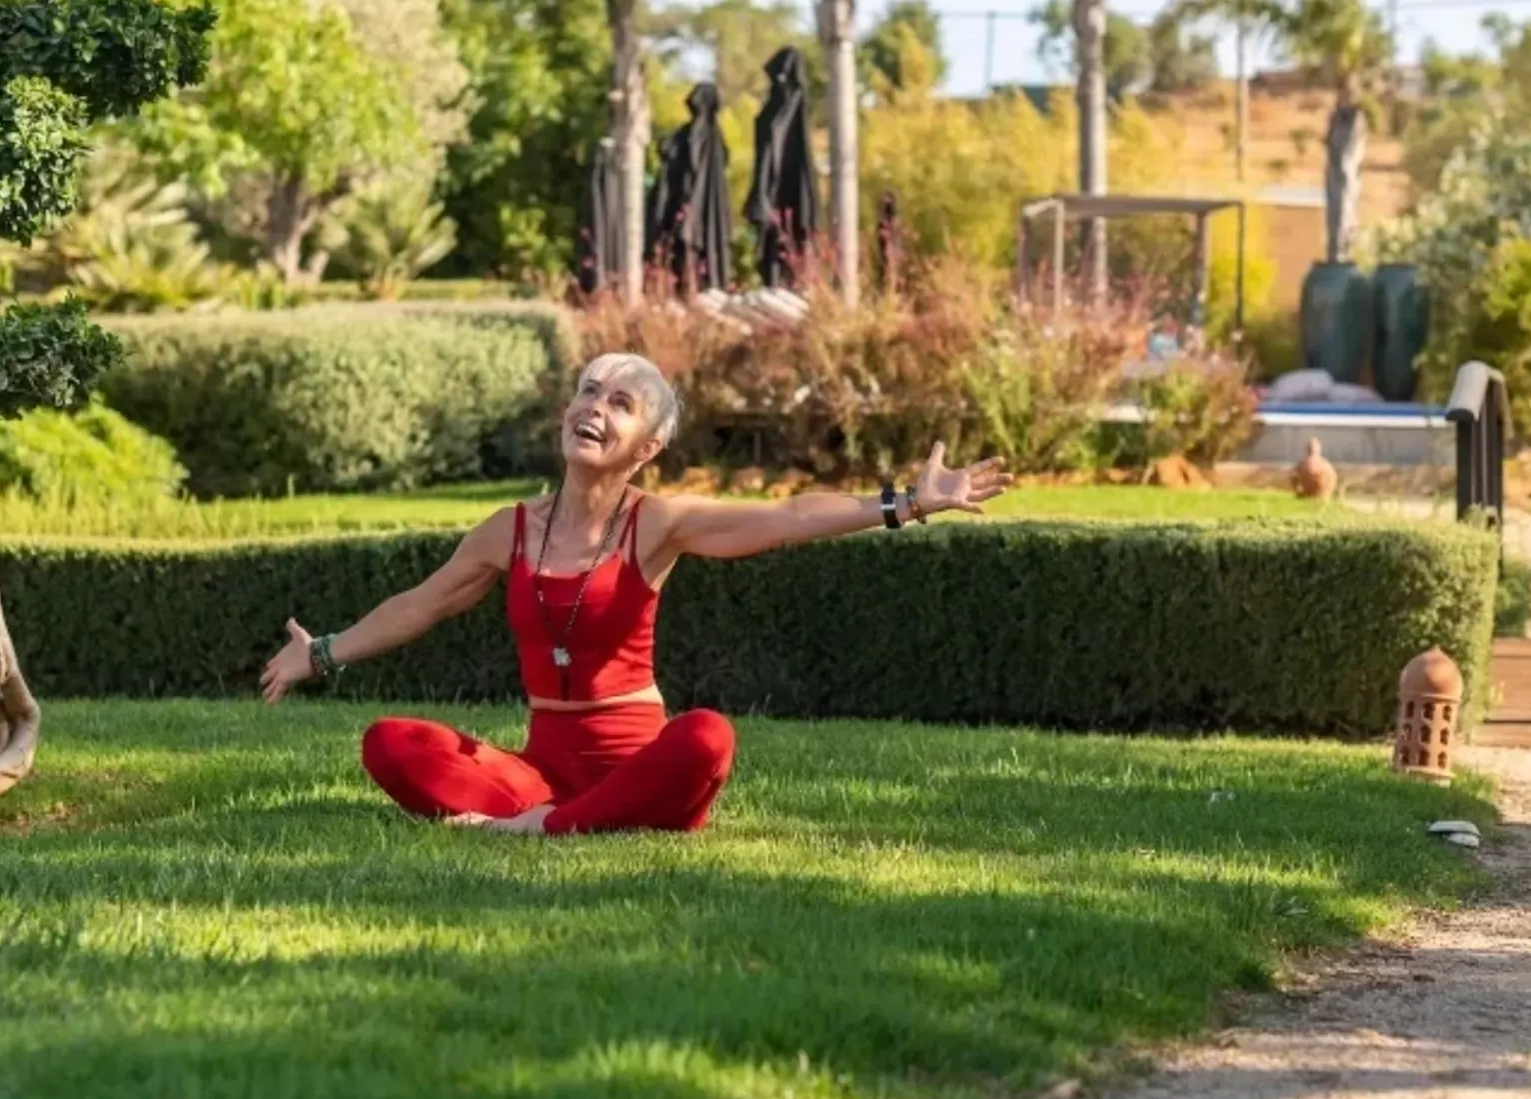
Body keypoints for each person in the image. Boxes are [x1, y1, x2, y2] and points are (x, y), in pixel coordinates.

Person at [260, 353, 1011, 836]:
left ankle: (545, 829)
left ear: (647, 446)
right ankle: (567, 816)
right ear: (565, 415)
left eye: (621, 403)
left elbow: (785, 518)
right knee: (390, 742)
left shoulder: (658, 524)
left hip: (640, 761)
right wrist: (319, 654)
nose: (596, 407)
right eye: (588, 392)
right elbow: (421, 604)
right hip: (542, 770)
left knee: (708, 739)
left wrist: (905, 504)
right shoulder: (508, 531)